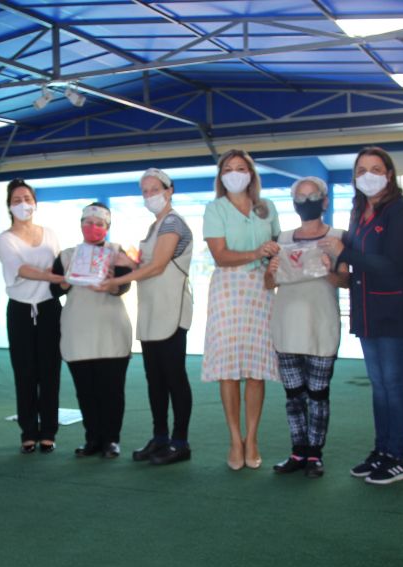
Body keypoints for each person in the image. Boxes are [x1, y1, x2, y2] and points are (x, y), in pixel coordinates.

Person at [321, 146, 403, 485]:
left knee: (396, 385)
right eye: (361, 170)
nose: (368, 176)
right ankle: (382, 450)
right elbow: (356, 264)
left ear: (389, 174)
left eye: (376, 169)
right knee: (380, 387)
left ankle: (397, 456)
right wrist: (334, 263)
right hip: (368, 313)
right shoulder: (360, 214)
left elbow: (392, 265)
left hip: (398, 312)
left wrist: (344, 253)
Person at [98, 168, 193, 466]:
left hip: (171, 310)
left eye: (155, 189)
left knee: (174, 377)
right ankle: (160, 437)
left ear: (169, 190)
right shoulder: (156, 226)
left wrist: (117, 280)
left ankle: (180, 442)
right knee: (155, 379)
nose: (150, 195)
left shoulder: (173, 223)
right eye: (145, 191)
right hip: (152, 310)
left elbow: (158, 266)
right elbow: (148, 264)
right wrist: (128, 263)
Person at [201, 149, 281, 470]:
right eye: (228, 169)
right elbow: (220, 255)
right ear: (221, 177)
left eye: (241, 168)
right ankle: (235, 439)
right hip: (228, 291)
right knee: (228, 369)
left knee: (256, 369)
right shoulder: (214, 209)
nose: (235, 173)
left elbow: (276, 248)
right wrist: (256, 253)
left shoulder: (267, 207)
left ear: (251, 174)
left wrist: (272, 262)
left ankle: (253, 438)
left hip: (261, 291)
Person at [265, 177, 346, 479]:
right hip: (286, 326)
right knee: (293, 396)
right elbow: (268, 282)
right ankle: (298, 451)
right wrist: (270, 272)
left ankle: (315, 454)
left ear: (325, 201)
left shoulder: (338, 237)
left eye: (312, 196)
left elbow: (345, 280)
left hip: (321, 325)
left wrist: (329, 271)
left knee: (318, 394)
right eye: (300, 197)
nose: (306, 201)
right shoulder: (281, 239)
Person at [51, 203, 133, 459]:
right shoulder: (67, 256)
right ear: (80, 225)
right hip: (78, 330)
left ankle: (112, 440)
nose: (93, 227)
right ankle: (93, 438)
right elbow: (54, 289)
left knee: (112, 389)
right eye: (88, 222)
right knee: (85, 390)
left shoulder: (117, 252)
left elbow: (125, 285)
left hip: (111, 329)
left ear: (107, 228)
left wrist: (111, 285)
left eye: (99, 224)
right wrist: (66, 281)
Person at [0, 179, 64, 454]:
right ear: (9, 206)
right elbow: (20, 268)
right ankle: (28, 432)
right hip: (21, 310)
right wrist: (51, 276)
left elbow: (60, 266)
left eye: (27, 199)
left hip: (49, 308)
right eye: (17, 200)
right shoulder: (4, 239)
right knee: (24, 372)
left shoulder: (50, 234)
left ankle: (48, 432)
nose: (23, 204)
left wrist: (65, 277)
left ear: (35, 203)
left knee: (50, 372)